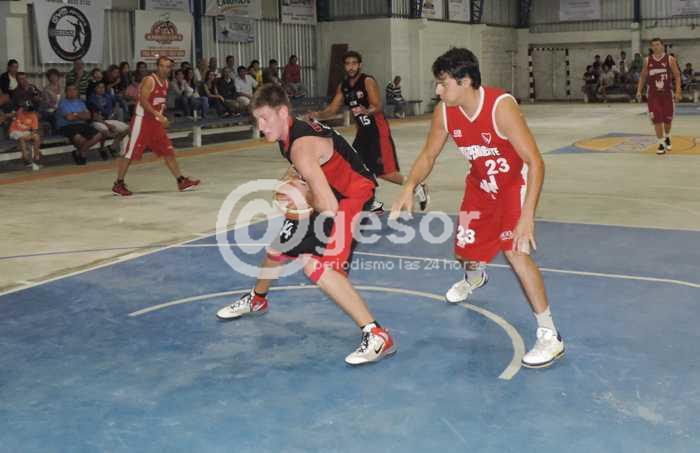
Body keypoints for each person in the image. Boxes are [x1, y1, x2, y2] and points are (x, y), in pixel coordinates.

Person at [390, 47, 565, 369]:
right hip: (481, 187)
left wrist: (527, 215)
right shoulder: (445, 112)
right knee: (465, 251)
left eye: (443, 83)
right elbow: (428, 155)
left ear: (465, 81)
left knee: (515, 252)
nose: (438, 90)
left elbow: (535, 162)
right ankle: (474, 278)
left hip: (513, 186)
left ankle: (549, 335)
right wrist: (408, 185)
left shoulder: (501, 107)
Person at [215, 84, 396, 365]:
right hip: (333, 190)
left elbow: (330, 207)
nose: (260, 126)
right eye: (256, 119)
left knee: (317, 267)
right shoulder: (288, 134)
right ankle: (257, 299)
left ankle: (377, 335)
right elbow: (308, 167)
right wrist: (292, 182)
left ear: (282, 112)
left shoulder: (300, 145)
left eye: (264, 118)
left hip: (352, 197)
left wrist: (303, 195)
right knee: (281, 244)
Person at [311, 50, 428, 213]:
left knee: (386, 173)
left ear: (359, 65)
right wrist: (317, 115)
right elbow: (332, 110)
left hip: (377, 131)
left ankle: (417, 186)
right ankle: (370, 201)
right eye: (348, 64)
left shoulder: (367, 81)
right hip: (362, 134)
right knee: (354, 168)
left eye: (354, 63)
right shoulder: (343, 86)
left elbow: (378, 105)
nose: (351, 67)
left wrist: (368, 110)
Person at [112, 56, 200, 196]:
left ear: (170, 69)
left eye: (167, 67)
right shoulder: (150, 80)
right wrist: (158, 115)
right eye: (162, 66)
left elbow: (159, 103)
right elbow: (143, 101)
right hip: (142, 121)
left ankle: (181, 181)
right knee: (130, 152)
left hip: (155, 122)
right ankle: (118, 183)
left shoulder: (165, 83)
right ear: (157, 66)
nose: (164, 69)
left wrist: (163, 116)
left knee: (168, 150)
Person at [636, 38, 682, 155]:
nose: (655, 47)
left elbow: (677, 76)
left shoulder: (670, 59)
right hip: (653, 95)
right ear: (651, 47)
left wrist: (678, 92)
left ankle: (667, 136)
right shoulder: (647, 60)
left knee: (667, 121)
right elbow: (643, 76)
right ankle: (661, 144)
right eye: (653, 45)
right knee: (657, 119)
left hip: (667, 94)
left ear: (662, 46)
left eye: (657, 44)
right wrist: (639, 91)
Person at [56, 83, 104, 165]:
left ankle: (80, 151)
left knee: (99, 135)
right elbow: (69, 118)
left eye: (74, 90)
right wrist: (81, 115)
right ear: (66, 92)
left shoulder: (80, 102)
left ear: (77, 92)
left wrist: (75, 114)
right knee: (81, 140)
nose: (72, 92)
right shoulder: (62, 103)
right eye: (69, 90)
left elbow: (88, 116)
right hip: (67, 126)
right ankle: (82, 154)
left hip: (81, 125)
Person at [88, 81, 129, 158]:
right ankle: (102, 149)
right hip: (97, 121)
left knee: (127, 129)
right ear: (95, 89)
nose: (102, 89)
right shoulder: (91, 99)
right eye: (99, 87)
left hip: (108, 119)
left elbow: (117, 101)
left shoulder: (107, 96)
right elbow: (96, 116)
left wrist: (114, 111)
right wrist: (108, 125)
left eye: (103, 87)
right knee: (105, 130)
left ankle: (112, 147)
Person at [9, 99, 42, 170]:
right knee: (22, 139)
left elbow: (34, 130)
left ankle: (36, 153)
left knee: (37, 137)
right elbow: (13, 114)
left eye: (30, 109)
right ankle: (25, 157)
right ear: (24, 108)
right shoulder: (19, 111)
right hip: (14, 131)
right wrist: (13, 114)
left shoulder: (33, 115)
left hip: (25, 132)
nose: (29, 111)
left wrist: (30, 136)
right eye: (27, 109)